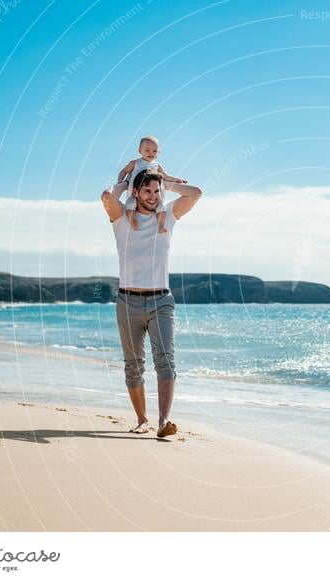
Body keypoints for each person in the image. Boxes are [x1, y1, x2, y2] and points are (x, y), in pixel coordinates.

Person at [101, 168, 202, 438]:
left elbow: (196, 193)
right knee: (133, 364)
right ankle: (142, 419)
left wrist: (167, 181)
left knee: (165, 361)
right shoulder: (122, 218)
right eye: (147, 190)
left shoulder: (167, 215)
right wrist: (123, 184)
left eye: (156, 191)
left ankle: (163, 421)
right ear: (137, 192)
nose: (153, 196)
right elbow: (106, 197)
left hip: (161, 300)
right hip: (128, 301)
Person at [110, 135, 187, 233]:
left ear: (158, 152)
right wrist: (120, 181)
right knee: (130, 204)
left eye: (154, 151)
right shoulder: (135, 163)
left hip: (154, 192)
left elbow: (165, 176)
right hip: (136, 193)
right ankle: (132, 220)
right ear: (139, 150)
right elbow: (124, 171)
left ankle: (161, 225)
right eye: (147, 150)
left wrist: (178, 180)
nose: (151, 153)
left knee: (161, 206)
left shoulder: (157, 165)